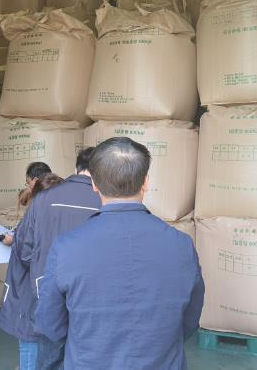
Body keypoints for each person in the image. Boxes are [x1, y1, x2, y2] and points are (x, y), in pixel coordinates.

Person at [35, 138, 205, 370]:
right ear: (146, 182)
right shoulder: (181, 246)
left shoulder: (66, 247)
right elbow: (190, 320)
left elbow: (50, 323)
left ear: (94, 183)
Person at [0, 147, 101, 370]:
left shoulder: (44, 199)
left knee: (47, 352)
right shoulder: (106, 201)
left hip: (47, 292)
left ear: (76, 167)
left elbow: (25, 252)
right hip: (91, 297)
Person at [0, 172, 65, 370]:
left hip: (37, 296)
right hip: (30, 295)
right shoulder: (37, 221)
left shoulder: (39, 217)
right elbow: (27, 255)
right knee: (32, 341)